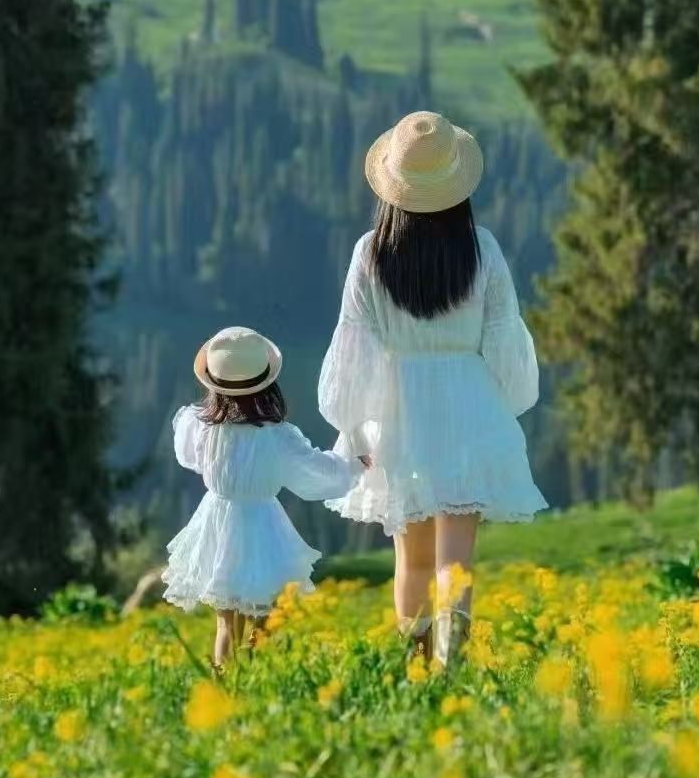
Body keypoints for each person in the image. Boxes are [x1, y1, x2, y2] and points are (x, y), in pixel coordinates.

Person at [319, 111, 548, 667]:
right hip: (468, 403)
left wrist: (352, 423)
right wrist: (504, 404)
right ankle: (452, 665)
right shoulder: (482, 249)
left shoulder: (370, 252)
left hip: (398, 413)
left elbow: (355, 347)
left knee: (412, 559)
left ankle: (415, 666)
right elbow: (503, 336)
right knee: (455, 560)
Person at [162, 325, 367, 666]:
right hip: (262, 527)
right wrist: (354, 466)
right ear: (266, 383)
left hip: (216, 521)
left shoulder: (201, 427)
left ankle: (225, 682)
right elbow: (315, 471)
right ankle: (255, 669)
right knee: (266, 613)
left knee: (225, 622)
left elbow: (188, 456)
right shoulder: (278, 437)